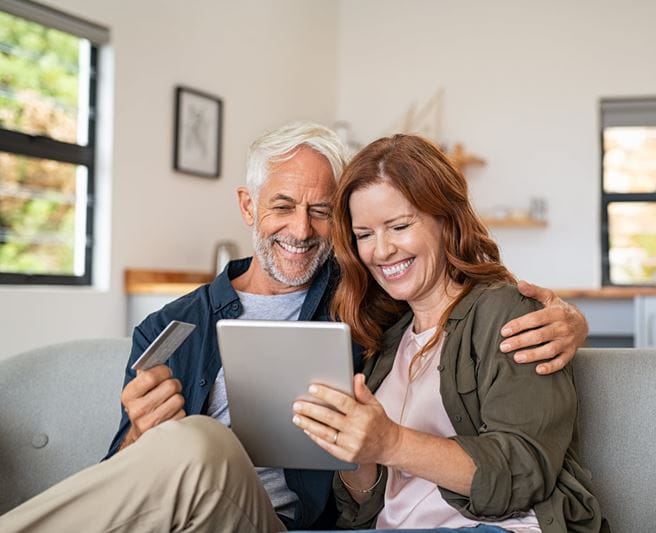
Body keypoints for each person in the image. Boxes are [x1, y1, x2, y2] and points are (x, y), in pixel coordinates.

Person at [0, 123, 589, 532]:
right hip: (182, 515)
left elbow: (461, 309)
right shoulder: (172, 325)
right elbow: (120, 491)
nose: (302, 231)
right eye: (282, 206)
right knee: (184, 443)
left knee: (203, 441)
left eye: (323, 212)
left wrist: (568, 321)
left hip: (282, 523)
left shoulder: (365, 302)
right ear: (247, 207)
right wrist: (136, 438)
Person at [292, 134, 605, 532]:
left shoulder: (507, 312)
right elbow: (364, 509)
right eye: (365, 234)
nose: (382, 250)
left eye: (399, 226)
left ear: (445, 219)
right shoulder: (389, 336)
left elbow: (525, 472)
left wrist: (391, 442)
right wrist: (356, 452)